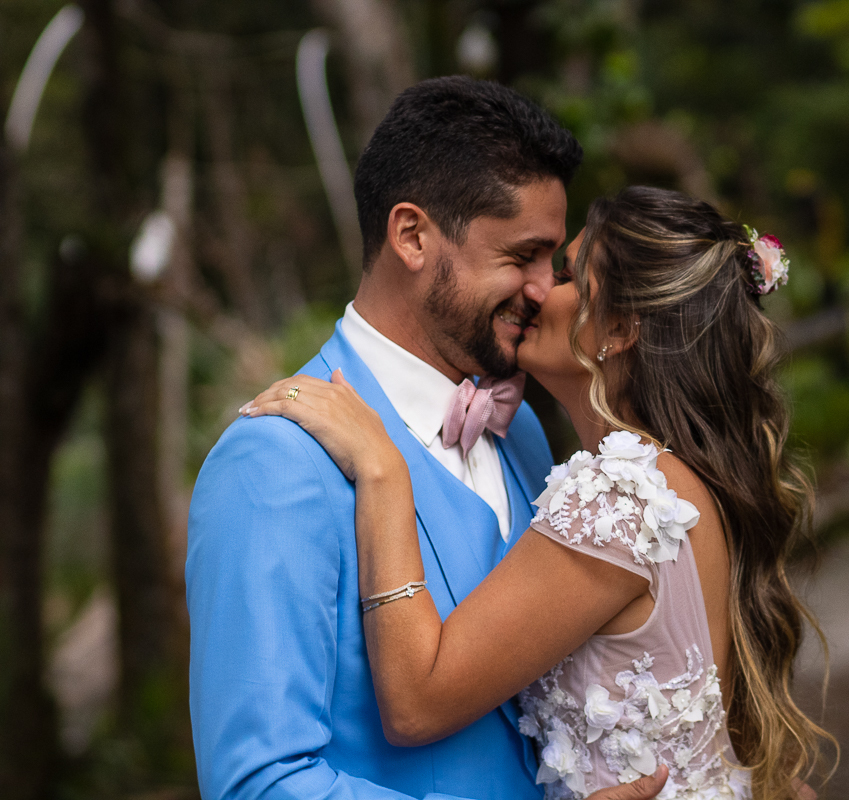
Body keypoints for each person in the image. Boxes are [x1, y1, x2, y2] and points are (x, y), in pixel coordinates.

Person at [242, 186, 836, 799]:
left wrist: (383, 471)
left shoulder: (620, 497)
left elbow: (418, 701)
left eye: (569, 275)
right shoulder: (684, 481)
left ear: (622, 327)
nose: (537, 290)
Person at [186, 77, 668, 800]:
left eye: (553, 262)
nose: (546, 290)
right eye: (522, 256)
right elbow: (258, 783)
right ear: (412, 235)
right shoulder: (274, 460)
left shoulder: (526, 432)